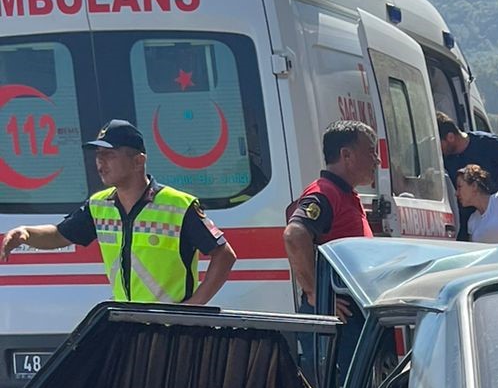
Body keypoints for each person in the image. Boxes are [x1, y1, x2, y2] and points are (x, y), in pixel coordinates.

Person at [1, 118, 235, 307]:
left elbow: (224, 254)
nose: (100, 163)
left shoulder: (178, 205)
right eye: (98, 156)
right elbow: (59, 235)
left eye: (109, 155)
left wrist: (195, 305)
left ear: (138, 161)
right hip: (127, 324)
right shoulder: (99, 205)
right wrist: (26, 233)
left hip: (170, 329)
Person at [284, 122, 378, 310]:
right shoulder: (325, 192)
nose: (377, 160)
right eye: (370, 152)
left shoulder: (344, 193)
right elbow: (294, 235)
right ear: (346, 155)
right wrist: (316, 294)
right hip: (337, 316)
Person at [437, 116, 498, 239]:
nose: (438, 148)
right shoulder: (445, 159)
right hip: (469, 226)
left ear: (450, 137)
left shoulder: (487, 144)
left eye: (439, 143)